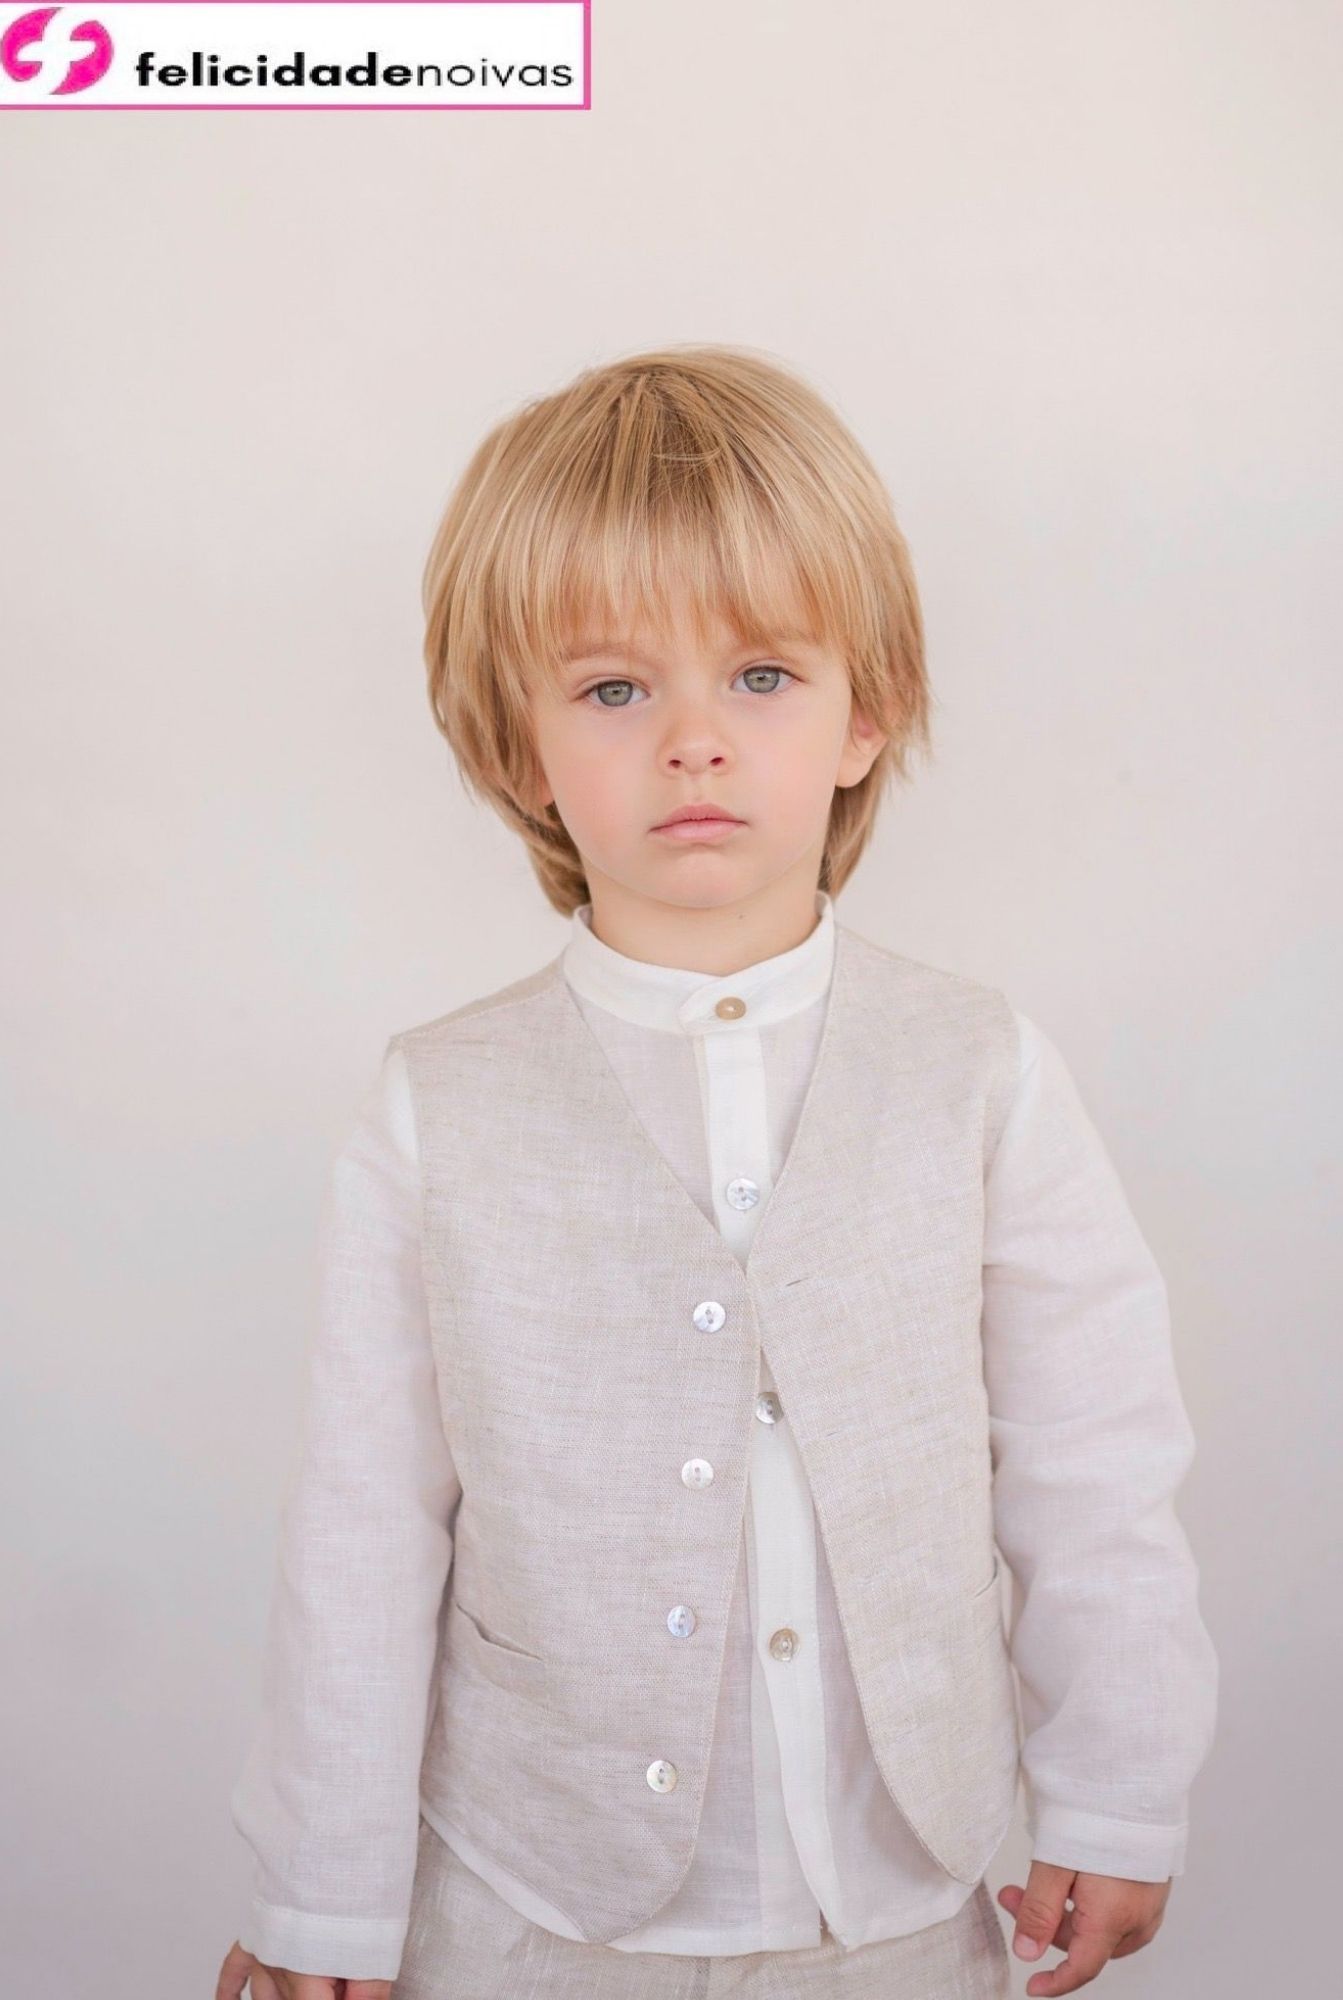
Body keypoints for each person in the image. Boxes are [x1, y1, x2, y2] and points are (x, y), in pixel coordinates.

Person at [217, 344, 1218, 2000]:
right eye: (615, 690)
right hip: (527, 1918)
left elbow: (1089, 1460)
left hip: (898, 1909)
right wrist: (323, 1896)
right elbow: (362, 1527)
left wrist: (1116, 1788)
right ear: (519, 747)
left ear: (862, 712)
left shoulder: (980, 1070)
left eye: (760, 675)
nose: (693, 741)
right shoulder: (437, 1107)